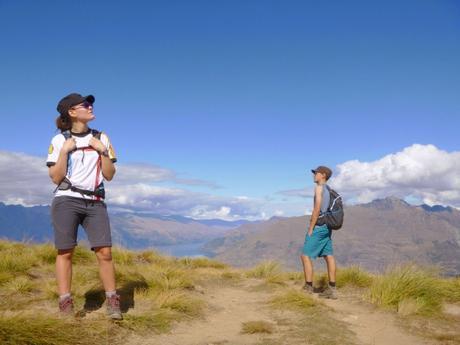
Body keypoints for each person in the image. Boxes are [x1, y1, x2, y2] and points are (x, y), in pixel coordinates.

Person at [46, 93, 122, 319]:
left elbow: (109, 175)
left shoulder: (102, 137)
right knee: (65, 252)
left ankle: (112, 300)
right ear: (71, 112)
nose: (90, 108)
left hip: (95, 202)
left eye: (90, 105)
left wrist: (102, 150)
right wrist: (63, 152)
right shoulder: (59, 140)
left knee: (105, 252)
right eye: (85, 105)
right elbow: (55, 177)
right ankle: (65, 303)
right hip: (66, 199)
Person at [300, 166, 337, 299]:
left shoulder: (319, 188)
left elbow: (317, 209)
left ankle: (308, 286)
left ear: (323, 175)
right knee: (328, 255)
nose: (314, 175)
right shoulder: (329, 189)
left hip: (319, 226)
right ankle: (332, 289)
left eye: (316, 173)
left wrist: (311, 227)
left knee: (305, 256)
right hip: (327, 227)